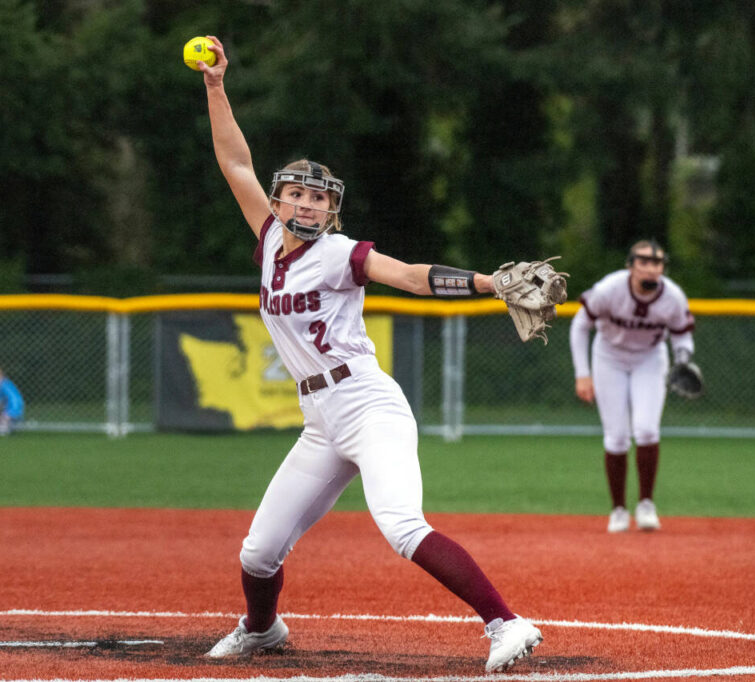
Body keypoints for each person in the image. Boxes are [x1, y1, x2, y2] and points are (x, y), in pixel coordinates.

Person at [195, 36, 544, 673]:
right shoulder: (270, 234)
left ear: (333, 213)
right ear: (278, 202)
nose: (306, 204)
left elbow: (409, 275)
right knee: (257, 553)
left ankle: (508, 623)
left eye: (319, 199)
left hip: (366, 402)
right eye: (297, 194)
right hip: (320, 419)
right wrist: (217, 87)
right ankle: (262, 628)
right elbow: (235, 163)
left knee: (401, 526)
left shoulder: (336, 252)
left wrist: (492, 284)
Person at [569, 240, 696, 533]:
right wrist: (582, 374)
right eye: (644, 262)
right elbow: (579, 326)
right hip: (608, 357)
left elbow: (681, 335)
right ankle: (618, 510)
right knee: (616, 437)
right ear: (630, 265)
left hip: (649, 359)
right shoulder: (610, 289)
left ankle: (646, 505)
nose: (652, 269)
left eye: (658, 263)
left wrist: (683, 359)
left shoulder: (672, 297)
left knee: (647, 429)